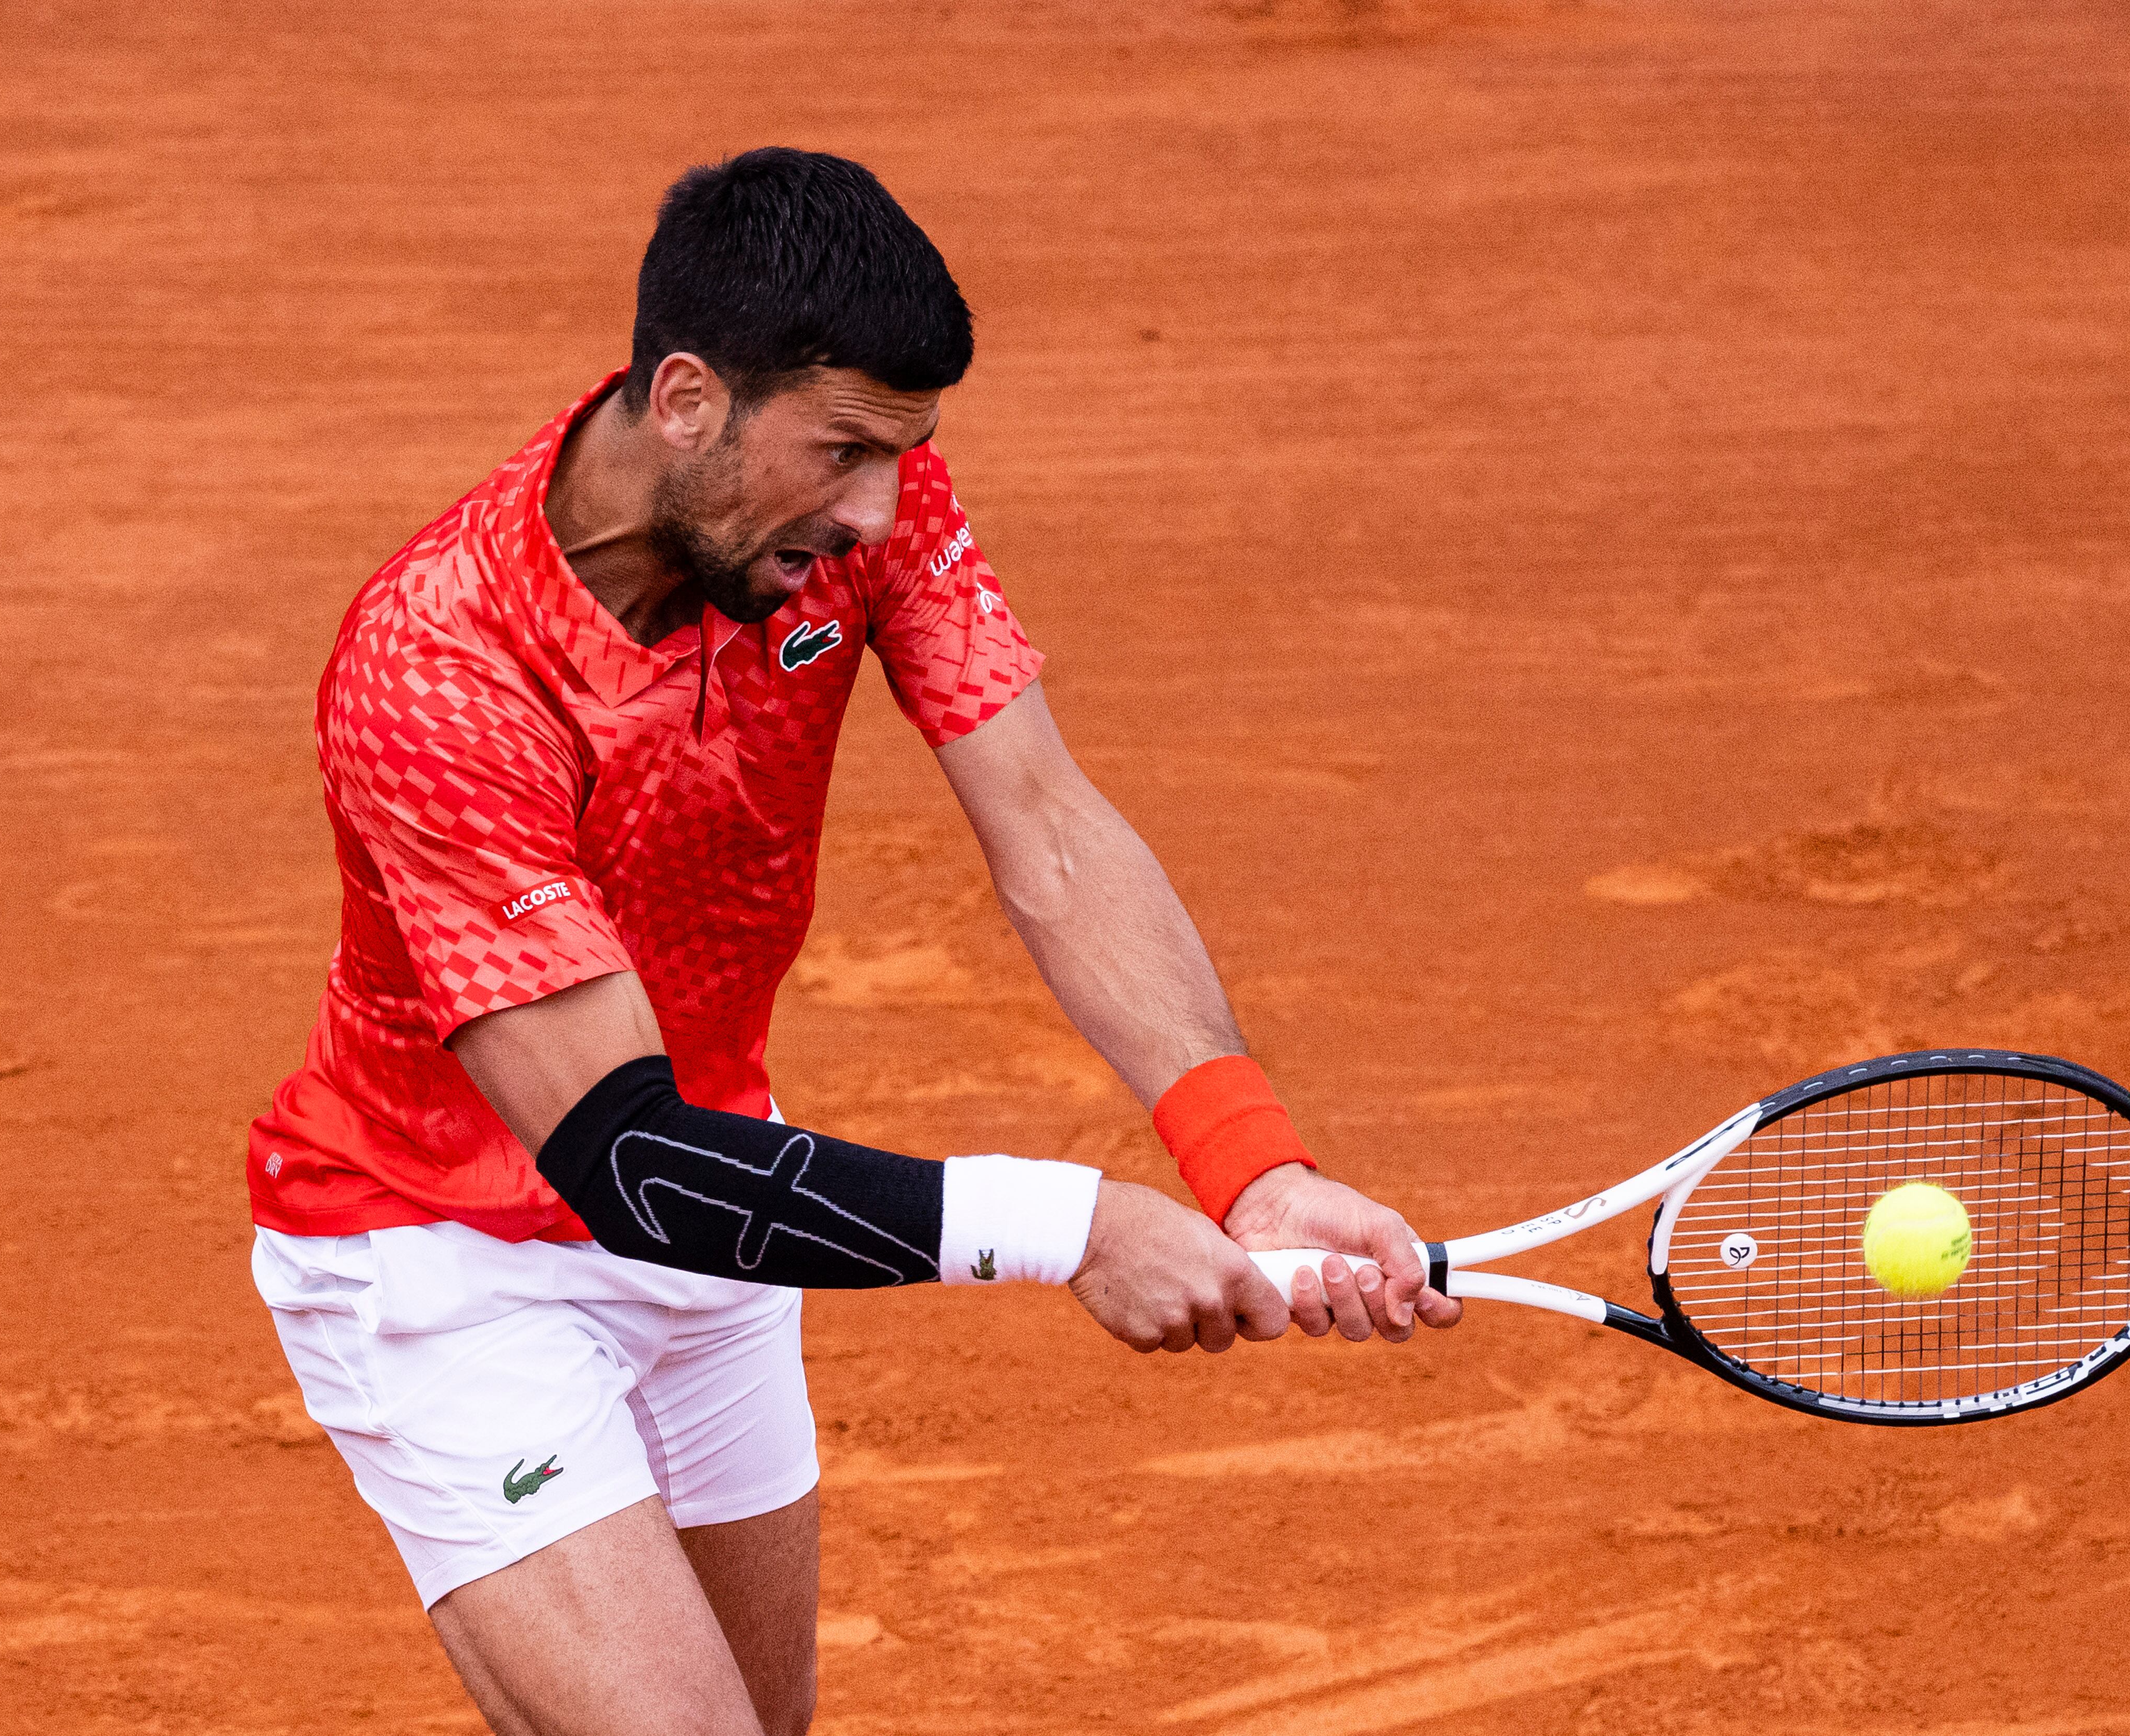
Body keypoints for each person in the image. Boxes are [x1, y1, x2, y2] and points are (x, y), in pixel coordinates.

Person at [246, 146, 1459, 1736]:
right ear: (687, 400)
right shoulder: (437, 671)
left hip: (723, 1224)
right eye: (842, 451)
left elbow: (1049, 828)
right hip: (449, 1255)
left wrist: (1254, 1162)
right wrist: (1073, 1225)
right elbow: (627, 1158)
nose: (879, 504)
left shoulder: (855, 514)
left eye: (903, 454)